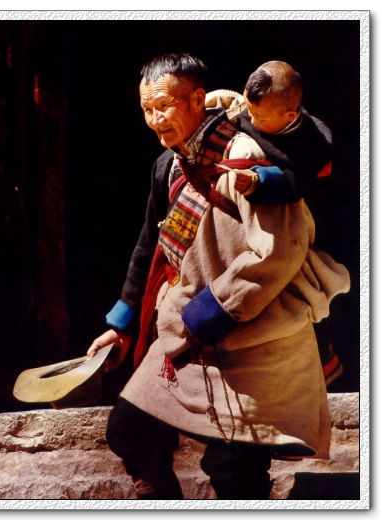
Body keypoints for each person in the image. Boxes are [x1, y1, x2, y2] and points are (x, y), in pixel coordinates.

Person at [87, 53, 350, 500]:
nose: (155, 120)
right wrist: (122, 324)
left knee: (235, 470)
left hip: (253, 336)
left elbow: (277, 252)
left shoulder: (246, 156)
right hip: (184, 333)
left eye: (163, 106)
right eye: (147, 109)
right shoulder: (168, 164)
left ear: (196, 99)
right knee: (130, 429)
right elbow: (151, 245)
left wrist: (207, 315)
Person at [205, 60, 343, 385]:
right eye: (249, 111)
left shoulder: (316, 144)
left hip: (295, 234)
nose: (250, 121)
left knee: (302, 301)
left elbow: (299, 183)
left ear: (290, 116)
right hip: (247, 231)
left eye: (260, 119)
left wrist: (258, 181)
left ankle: (322, 370)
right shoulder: (251, 112)